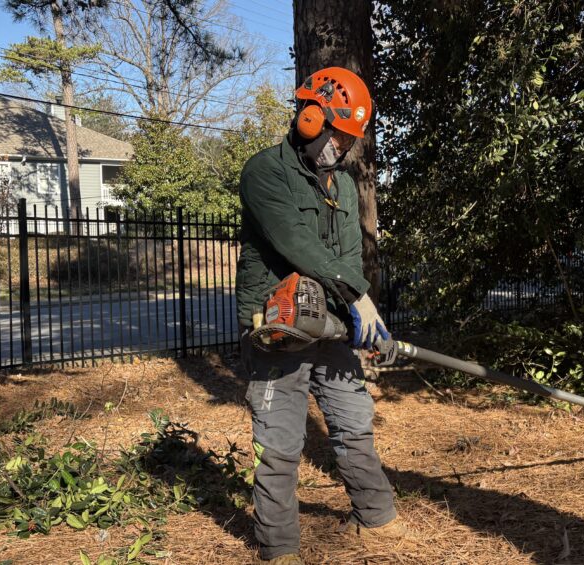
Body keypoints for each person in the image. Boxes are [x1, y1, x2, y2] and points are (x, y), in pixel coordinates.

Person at [234, 67, 407, 564]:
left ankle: (377, 518)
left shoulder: (345, 186)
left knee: (354, 422)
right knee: (282, 445)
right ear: (311, 119)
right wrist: (355, 296)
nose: (344, 148)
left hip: (329, 324)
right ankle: (280, 549)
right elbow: (296, 242)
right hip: (279, 328)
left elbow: (350, 255)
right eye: (339, 135)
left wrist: (363, 321)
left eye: (351, 139)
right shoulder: (264, 172)